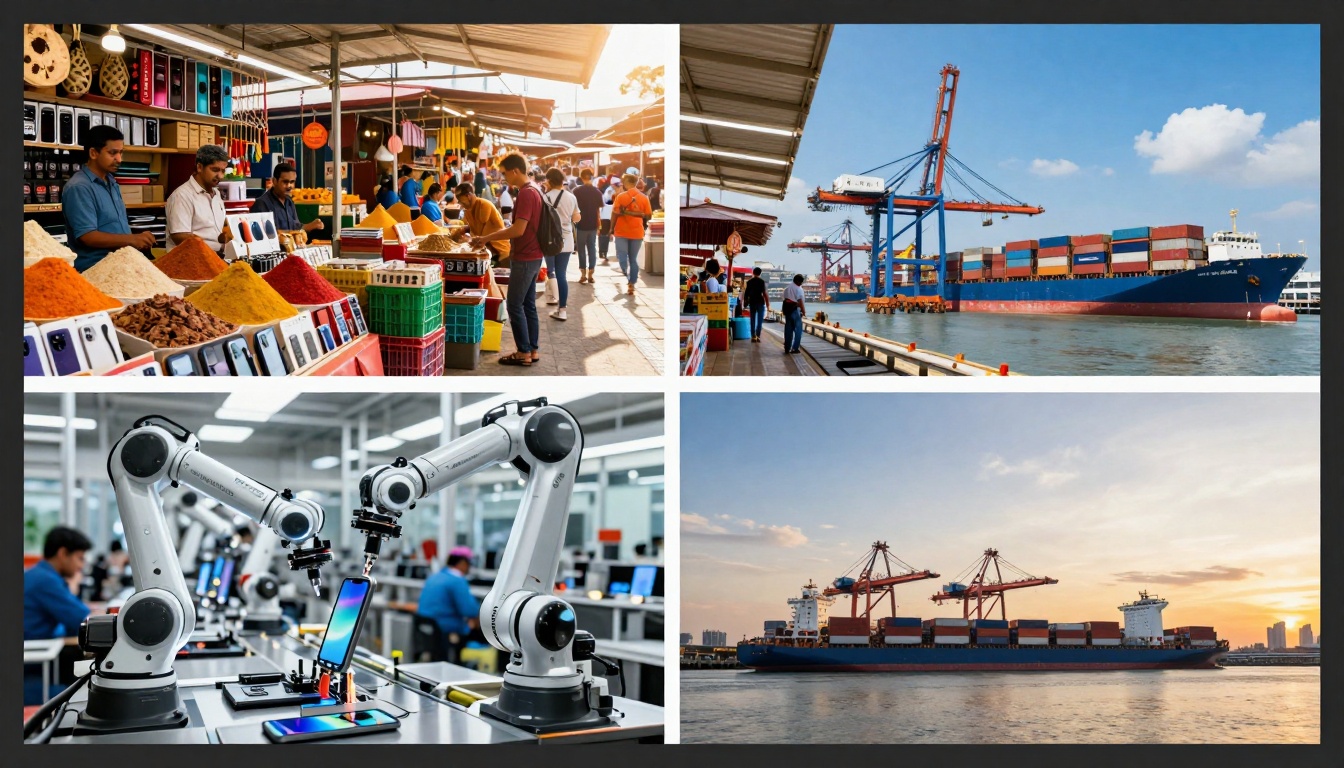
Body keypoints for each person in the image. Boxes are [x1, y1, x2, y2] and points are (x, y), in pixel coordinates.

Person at [472, 152, 543, 367]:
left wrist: (486, 238)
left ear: (514, 171)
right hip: (534, 255)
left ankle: (523, 352)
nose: (503, 178)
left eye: (504, 174)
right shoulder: (535, 190)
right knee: (528, 304)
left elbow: (518, 229)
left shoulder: (526, 194)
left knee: (514, 304)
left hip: (525, 256)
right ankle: (532, 349)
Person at [63, 125, 158, 271]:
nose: (119, 159)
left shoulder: (111, 182)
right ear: (93, 153)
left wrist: (137, 239)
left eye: (121, 152)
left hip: (121, 265)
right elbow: (88, 236)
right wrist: (132, 239)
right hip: (95, 269)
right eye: (113, 153)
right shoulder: (79, 187)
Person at [24, 526, 95, 705]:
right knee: (89, 690)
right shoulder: (45, 581)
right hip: (32, 670)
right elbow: (82, 618)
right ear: (63, 553)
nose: (81, 566)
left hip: (37, 660)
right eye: (79, 558)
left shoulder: (40, 575)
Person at [416, 551, 480, 659]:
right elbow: (470, 610)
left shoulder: (434, 577)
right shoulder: (457, 580)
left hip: (426, 626)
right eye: (469, 564)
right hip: (445, 630)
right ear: (462, 563)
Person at [166, 144, 230, 250]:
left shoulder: (216, 194)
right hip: (190, 259)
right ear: (199, 167)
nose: (220, 176)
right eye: (215, 170)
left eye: (223, 171)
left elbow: (218, 231)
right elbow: (179, 236)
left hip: (216, 256)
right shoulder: (182, 195)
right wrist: (209, 248)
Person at [541, 168, 581, 320]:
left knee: (551, 270)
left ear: (550, 181)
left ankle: (552, 297)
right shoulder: (571, 197)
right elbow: (577, 218)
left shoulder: (546, 197)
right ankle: (562, 310)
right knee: (561, 274)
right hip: (567, 240)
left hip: (550, 240)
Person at [250, 163, 325, 236]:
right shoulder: (262, 203)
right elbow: (266, 234)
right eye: (285, 182)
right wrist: (306, 228)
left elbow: (296, 226)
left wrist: (312, 225)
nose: (289, 186)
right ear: (274, 181)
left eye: (292, 182)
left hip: (291, 247)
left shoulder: (289, 201)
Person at [612, 173, 653, 296]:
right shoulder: (644, 198)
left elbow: (615, 212)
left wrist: (611, 228)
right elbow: (649, 215)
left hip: (621, 231)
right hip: (637, 232)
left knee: (622, 257)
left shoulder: (621, 197)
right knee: (633, 259)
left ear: (627, 183)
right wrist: (637, 214)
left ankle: (628, 275)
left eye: (623, 182)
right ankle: (632, 283)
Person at [454, 182, 510, 264]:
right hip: (486, 251)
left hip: (499, 252)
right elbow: (474, 228)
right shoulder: (468, 211)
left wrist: (467, 239)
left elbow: (481, 231)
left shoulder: (484, 205)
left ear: (468, 196)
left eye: (461, 200)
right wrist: (462, 231)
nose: (460, 203)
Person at [572, 168, 603, 285]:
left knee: (581, 250)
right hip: (593, 224)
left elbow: (573, 209)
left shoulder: (576, 191)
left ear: (581, 177)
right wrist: (599, 225)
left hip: (580, 224)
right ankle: (591, 273)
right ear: (591, 177)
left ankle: (583, 274)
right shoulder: (597, 192)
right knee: (592, 248)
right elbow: (598, 211)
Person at [744, 266, 770, 342]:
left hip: (752, 302)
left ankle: (753, 336)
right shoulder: (762, 282)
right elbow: (765, 294)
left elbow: (746, 294)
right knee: (760, 320)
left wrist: (745, 302)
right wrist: (768, 304)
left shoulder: (749, 282)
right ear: (760, 273)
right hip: (760, 302)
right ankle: (758, 336)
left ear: (753, 273)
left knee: (752, 319)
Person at [782, 273, 807, 354]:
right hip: (795, 310)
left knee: (788, 330)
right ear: (797, 281)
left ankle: (787, 347)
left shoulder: (787, 288)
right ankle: (795, 348)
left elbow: (785, 299)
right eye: (801, 282)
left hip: (788, 311)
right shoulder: (798, 289)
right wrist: (803, 311)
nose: (801, 283)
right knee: (798, 330)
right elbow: (800, 302)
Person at [598, 178, 617, 264]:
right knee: (604, 235)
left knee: (606, 235)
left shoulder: (610, 190)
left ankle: (604, 253)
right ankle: (603, 253)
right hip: (606, 217)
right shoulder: (610, 191)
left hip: (608, 216)